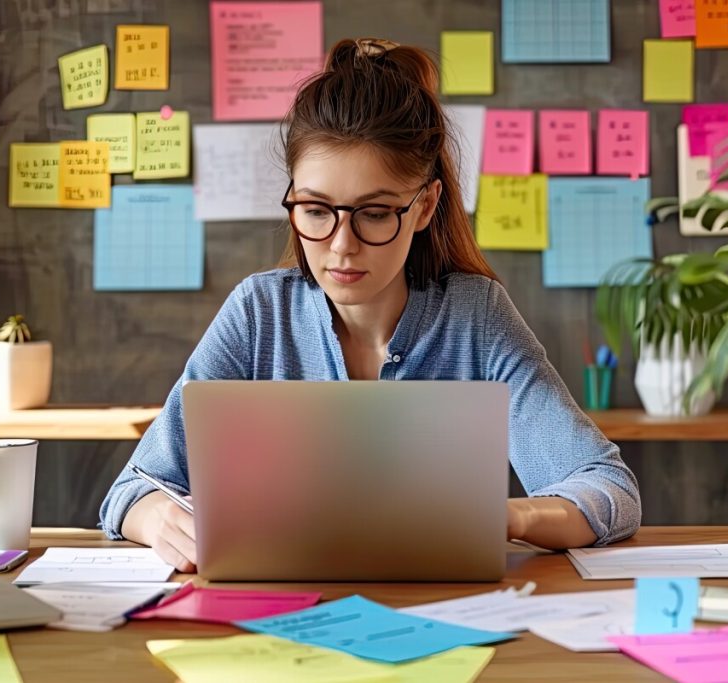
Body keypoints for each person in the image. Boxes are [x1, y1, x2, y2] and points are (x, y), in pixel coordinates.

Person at [100, 38, 641, 572]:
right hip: (279, 629)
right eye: (315, 209)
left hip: (448, 620)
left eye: (375, 213)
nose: (341, 245)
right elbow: (132, 491)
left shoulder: (476, 319)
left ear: (424, 206)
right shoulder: (257, 314)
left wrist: (506, 517)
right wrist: (160, 519)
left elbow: (608, 489)